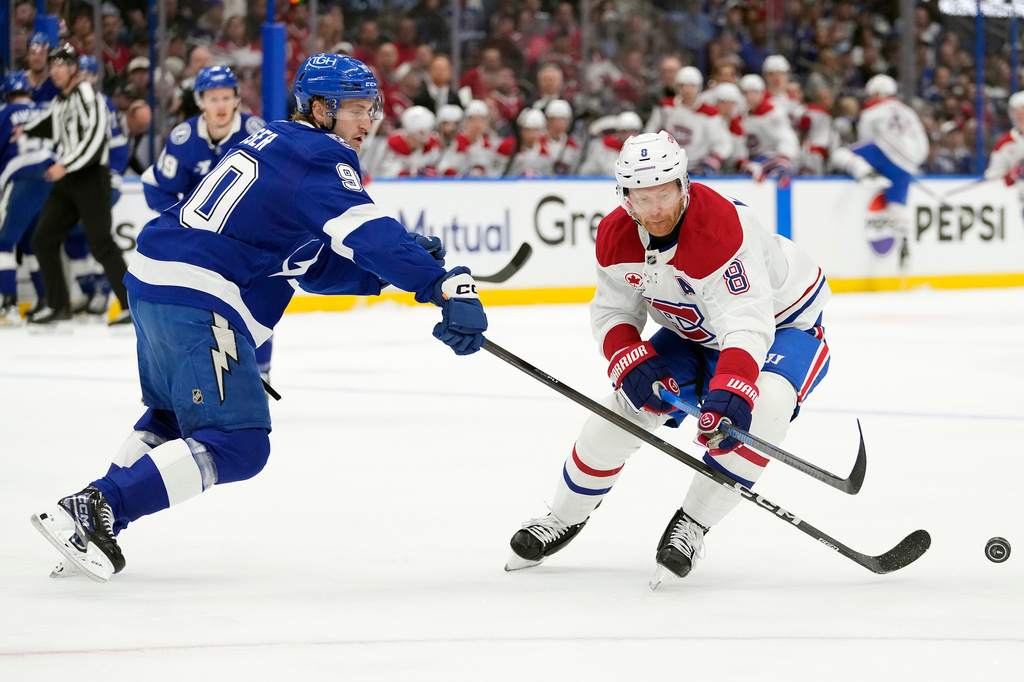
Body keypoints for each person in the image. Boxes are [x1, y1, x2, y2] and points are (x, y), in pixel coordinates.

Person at [31, 52, 489, 583]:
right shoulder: (320, 154)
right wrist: (439, 282)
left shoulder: (275, 140)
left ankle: (93, 517)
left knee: (171, 420)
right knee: (241, 444)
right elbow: (365, 230)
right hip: (199, 291)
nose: (368, 122)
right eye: (357, 109)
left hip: (158, 279)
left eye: (373, 109)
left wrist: (389, 274)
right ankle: (94, 508)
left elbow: (310, 266)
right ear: (320, 108)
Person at [506, 131, 831, 589]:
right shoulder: (617, 237)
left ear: (684, 185)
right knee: (620, 410)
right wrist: (629, 359)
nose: (656, 208)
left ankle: (692, 525)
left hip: (782, 325)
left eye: (665, 193)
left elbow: (745, 322)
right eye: (643, 197)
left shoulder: (718, 228)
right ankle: (562, 516)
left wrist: (733, 388)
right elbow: (614, 310)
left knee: (766, 406)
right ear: (625, 197)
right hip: (693, 332)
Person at [17, 43, 131, 326]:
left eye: (60, 66)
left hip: (91, 176)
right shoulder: (60, 101)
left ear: (73, 69)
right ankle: (58, 305)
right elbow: (47, 123)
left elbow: (94, 139)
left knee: (101, 242)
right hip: (67, 179)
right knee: (43, 239)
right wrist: (23, 129)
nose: (55, 71)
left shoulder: (88, 94)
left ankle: (131, 305)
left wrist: (65, 165)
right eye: (52, 66)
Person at [830, 74, 928, 260]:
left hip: (885, 152)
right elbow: (922, 141)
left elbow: (865, 140)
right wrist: (912, 164)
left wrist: (875, 163)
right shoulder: (908, 111)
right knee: (896, 206)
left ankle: (867, 174)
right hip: (908, 163)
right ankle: (904, 239)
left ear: (875, 93)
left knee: (840, 154)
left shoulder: (871, 110)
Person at [63, 54, 130, 319]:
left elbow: (117, 146)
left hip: (99, 184)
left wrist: (112, 175)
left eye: (88, 75)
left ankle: (103, 291)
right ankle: (91, 290)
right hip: (76, 184)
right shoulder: (68, 103)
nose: (83, 80)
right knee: (72, 237)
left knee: (96, 238)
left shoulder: (101, 104)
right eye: (79, 74)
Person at [0, 71, 55, 326]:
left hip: (20, 179)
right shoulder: (44, 110)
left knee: (4, 242)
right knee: (32, 244)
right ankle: (46, 300)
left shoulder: (5, 112)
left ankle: (8, 304)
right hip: (49, 179)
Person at [645, 66, 732, 176]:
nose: (687, 90)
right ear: (677, 87)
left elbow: (724, 142)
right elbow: (650, 131)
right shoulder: (666, 107)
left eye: (691, 86)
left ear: (698, 88)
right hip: (669, 167)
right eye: (683, 86)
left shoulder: (708, 113)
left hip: (698, 168)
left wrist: (710, 163)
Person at [736, 74, 799, 187]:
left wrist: (784, 158)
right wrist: (744, 162)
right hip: (753, 159)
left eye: (755, 93)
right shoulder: (741, 116)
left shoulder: (773, 113)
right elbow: (738, 143)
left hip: (773, 157)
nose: (751, 97)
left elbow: (786, 137)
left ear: (762, 93)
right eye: (747, 93)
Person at [984, 91, 1024, 205]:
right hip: (1016, 201)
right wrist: (1008, 177)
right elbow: (992, 176)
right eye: (1017, 113)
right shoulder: (1004, 143)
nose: (1020, 117)